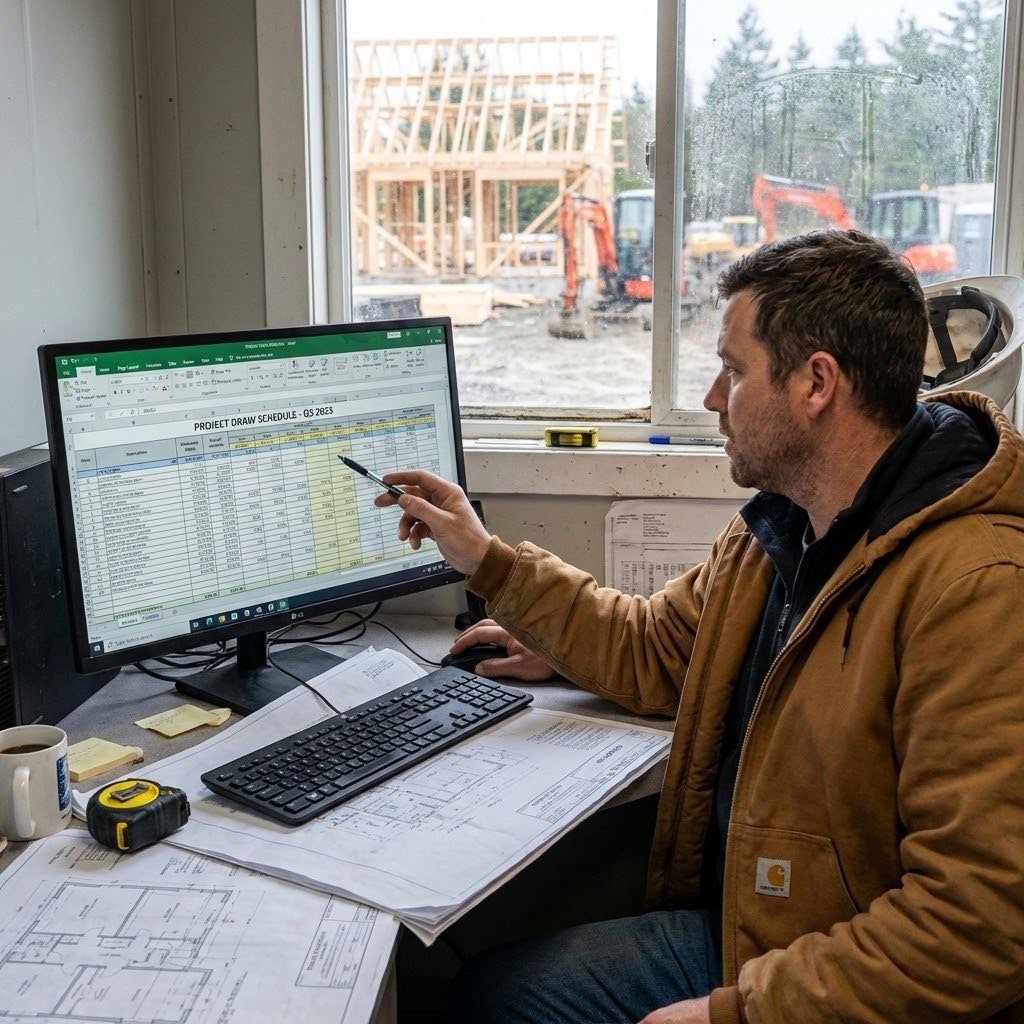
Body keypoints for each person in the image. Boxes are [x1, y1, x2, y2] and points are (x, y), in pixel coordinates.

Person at [374, 230, 1024, 1023]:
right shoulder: (784, 525)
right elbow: (657, 649)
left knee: (499, 1003)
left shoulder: (977, 588)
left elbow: (981, 927)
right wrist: (489, 563)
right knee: (485, 987)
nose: (715, 398)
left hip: (831, 966)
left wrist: (740, 1014)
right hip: (760, 923)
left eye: (733, 369)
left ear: (817, 383)